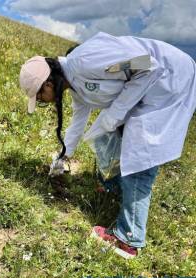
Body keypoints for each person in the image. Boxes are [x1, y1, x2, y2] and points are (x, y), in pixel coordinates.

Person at [19, 32, 196, 259]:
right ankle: (113, 187)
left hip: (170, 80)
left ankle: (127, 240)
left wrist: (114, 116)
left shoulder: (86, 61)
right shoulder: (74, 83)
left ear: (48, 83)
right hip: (151, 88)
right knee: (105, 134)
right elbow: (78, 120)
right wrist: (64, 156)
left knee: (140, 155)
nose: (43, 101)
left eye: (39, 96)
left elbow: (145, 66)